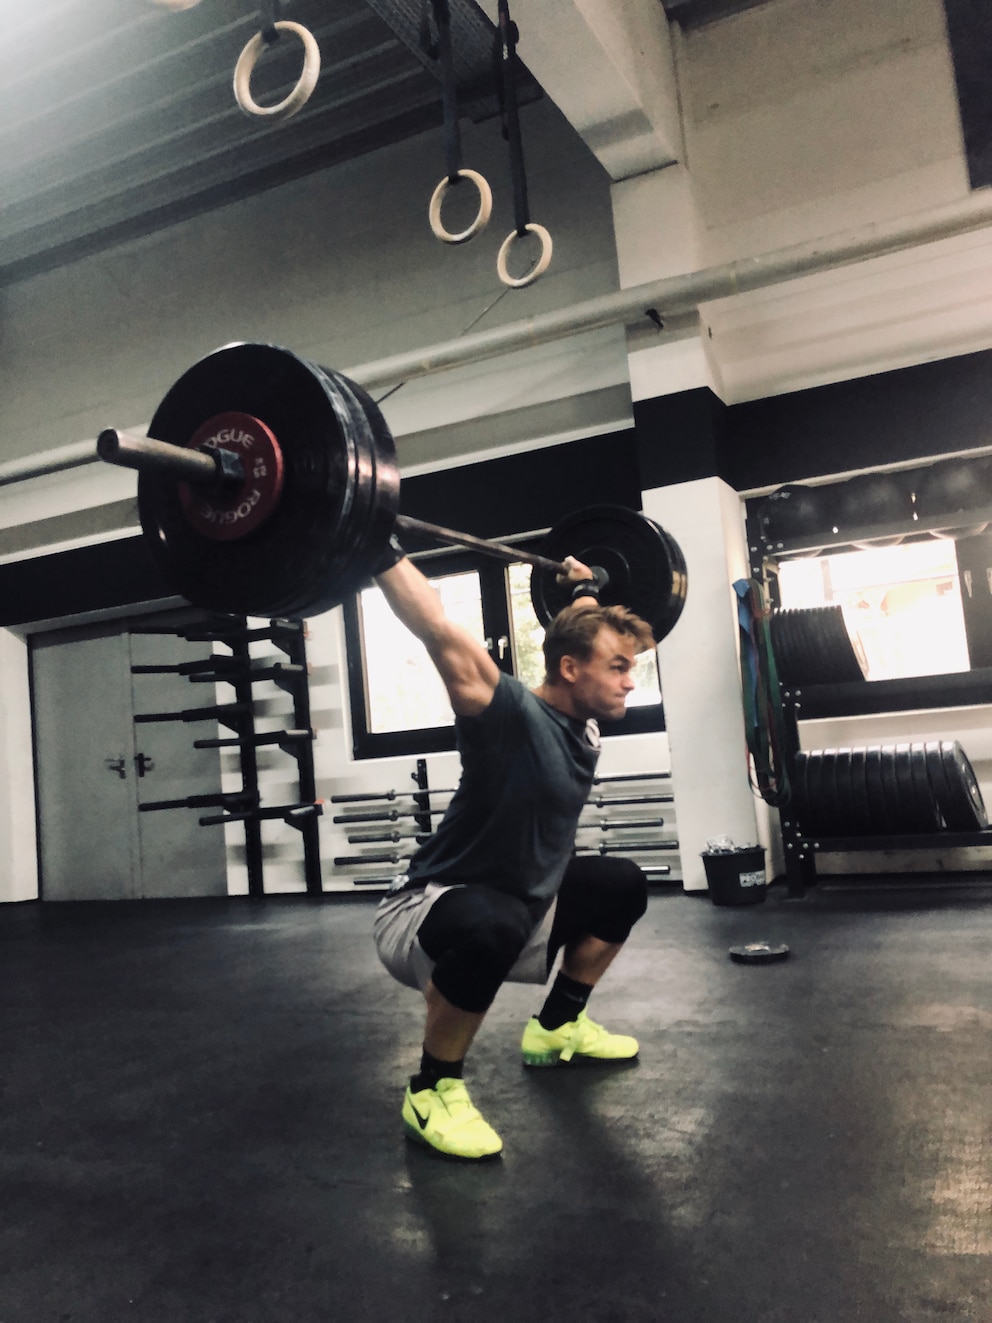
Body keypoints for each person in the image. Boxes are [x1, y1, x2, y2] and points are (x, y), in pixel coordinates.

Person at [371, 535, 657, 1161]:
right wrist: (378, 547)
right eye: (620, 667)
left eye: (631, 668)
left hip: (523, 903)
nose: (631, 682)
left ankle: (557, 1028)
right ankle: (432, 1089)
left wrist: (583, 589)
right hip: (427, 907)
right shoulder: (509, 715)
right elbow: (438, 628)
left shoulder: (582, 720)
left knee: (621, 884)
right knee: (492, 923)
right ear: (570, 670)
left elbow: (578, 636)